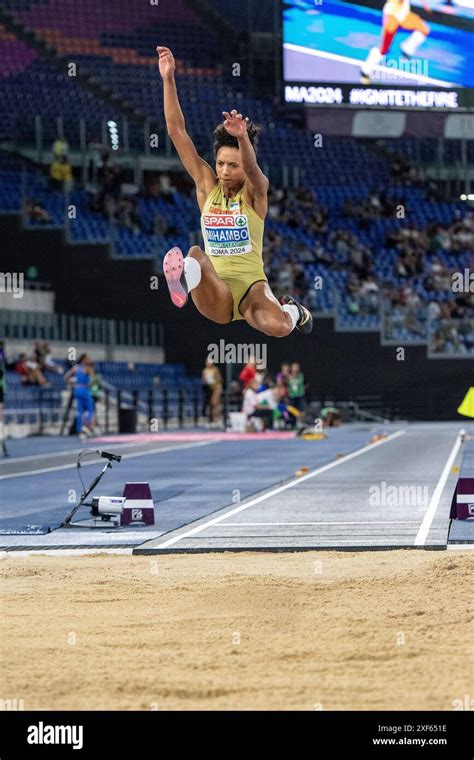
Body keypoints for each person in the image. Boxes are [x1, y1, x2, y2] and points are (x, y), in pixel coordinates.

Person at [157, 45, 312, 336]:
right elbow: (177, 132)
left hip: (252, 289)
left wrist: (243, 139)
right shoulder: (207, 185)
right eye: (221, 164)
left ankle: (293, 310)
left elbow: (253, 171)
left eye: (233, 166)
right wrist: (168, 79)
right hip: (216, 292)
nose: (225, 171)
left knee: (278, 328)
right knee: (194, 254)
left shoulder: (256, 193)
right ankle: (183, 280)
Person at [361, 1, 431, 84]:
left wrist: (425, 4)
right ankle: (365, 71)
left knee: (424, 29)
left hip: (403, 14)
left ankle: (407, 49)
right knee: (383, 49)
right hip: (392, 17)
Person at [64, 354, 95, 439]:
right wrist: (89, 385)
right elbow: (92, 381)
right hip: (85, 389)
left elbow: (66, 377)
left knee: (79, 411)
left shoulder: (76, 368)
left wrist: (73, 383)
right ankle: (88, 428)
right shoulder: (88, 368)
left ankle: (80, 430)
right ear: (84, 360)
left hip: (77, 389)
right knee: (90, 410)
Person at [201, 358, 223, 425]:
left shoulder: (215, 369)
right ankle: (213, 419)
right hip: (210, 389)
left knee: (215, 403)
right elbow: (203, 380)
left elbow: (219, 379)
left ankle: (218, 419)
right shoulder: (205, 371)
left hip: (217, 388)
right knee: (211, 404)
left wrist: (214, 380)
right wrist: (206, 381)